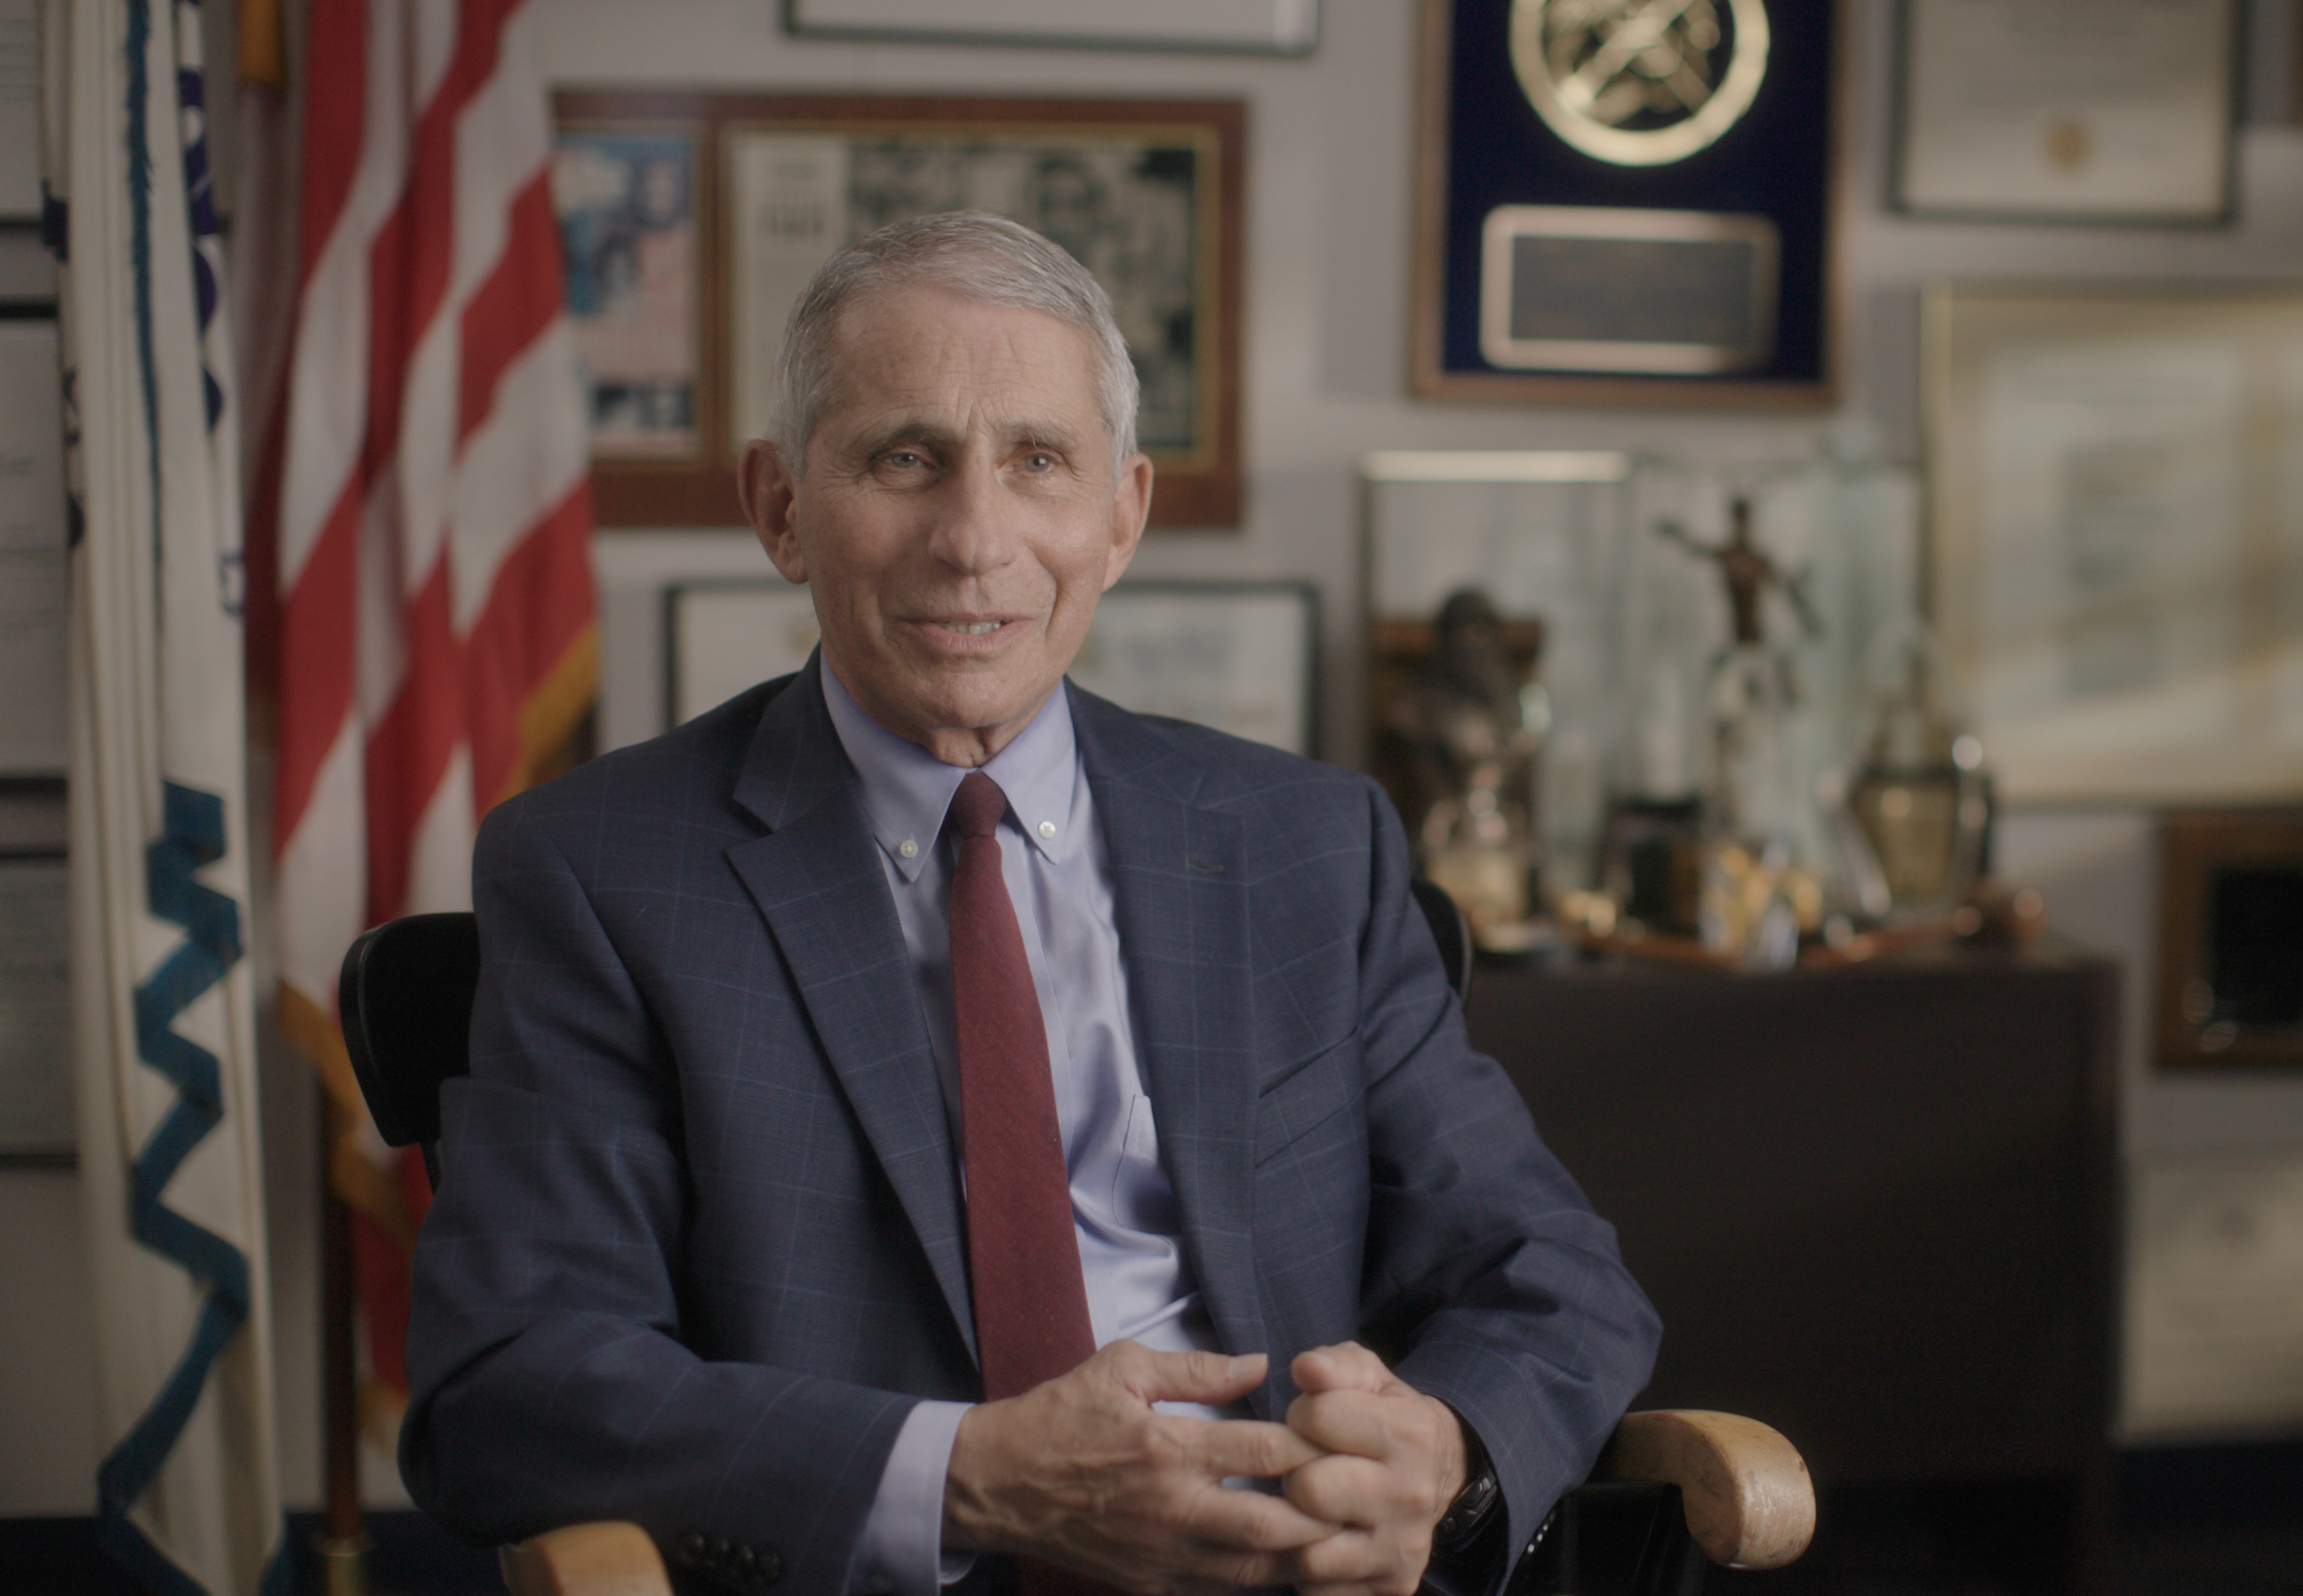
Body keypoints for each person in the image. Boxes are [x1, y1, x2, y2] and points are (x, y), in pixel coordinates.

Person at [400, 212, 1660, 1596]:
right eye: (905, 459)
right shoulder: (603, 872)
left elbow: (1550, 1272)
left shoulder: (1307, 842)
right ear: (779, 508)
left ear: (1120, 517)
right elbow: (515, 1388)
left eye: (1038, 463)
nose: (974, 540)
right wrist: (977, 1479)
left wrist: (1447, 1452)